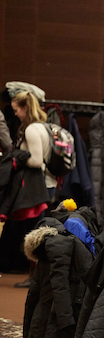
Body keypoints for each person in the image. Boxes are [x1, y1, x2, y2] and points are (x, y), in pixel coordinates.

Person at [0, 92, 54, 283]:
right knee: (36, 231)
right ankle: (34, 274)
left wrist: (18, 158)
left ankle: (35, 276)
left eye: (16, 110)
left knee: (35, 233)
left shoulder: (31, 130)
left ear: (24, 108)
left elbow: (36, 160)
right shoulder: (44, 126)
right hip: (46, 185)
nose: (15, 114)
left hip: (38, 187)